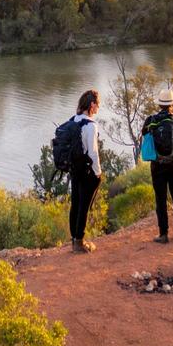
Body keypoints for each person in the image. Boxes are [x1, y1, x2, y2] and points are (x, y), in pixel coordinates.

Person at [142, 89, 173, 243]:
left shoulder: (150, 119)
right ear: (172, 104)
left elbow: (145, 137)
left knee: (160, 199)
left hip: (158, 165)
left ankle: (163, 234)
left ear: (160, 104)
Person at [68, 89, 103, 254]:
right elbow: (93, 152)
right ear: (91, 104)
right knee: (84, 206)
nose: (98, 108)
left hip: (75, 170)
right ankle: (79, 242)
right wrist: (98, 172)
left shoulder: (73, 120)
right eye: (97, 104)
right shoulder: (90, 125)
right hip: (88, 172)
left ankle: (74, 239)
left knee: (75, 204)